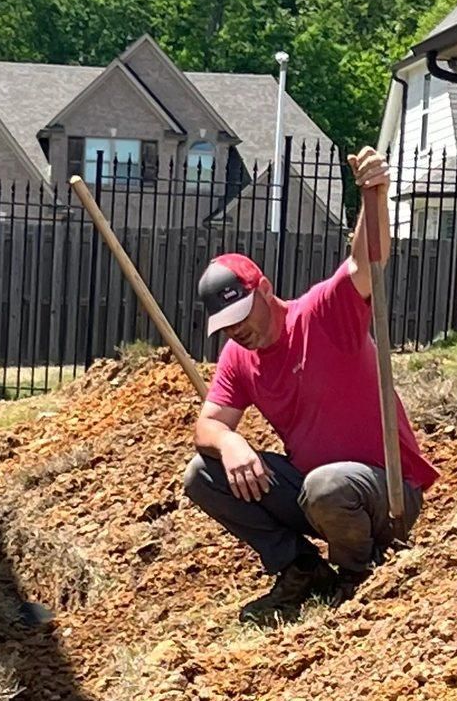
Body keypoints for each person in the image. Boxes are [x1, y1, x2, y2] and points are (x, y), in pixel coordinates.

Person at [184, 146, 438, 626]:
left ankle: (359, 575)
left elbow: (367, 264)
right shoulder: (239, 355)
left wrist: (374, 196)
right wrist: (231, 441)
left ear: (263, 290)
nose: (237, 331)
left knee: (328, 485)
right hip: (317, 495)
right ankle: (300, 568)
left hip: (386, 492)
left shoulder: (323, 312)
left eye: (241, 316)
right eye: (226, 323)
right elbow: (209, 424)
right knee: (204, 473)